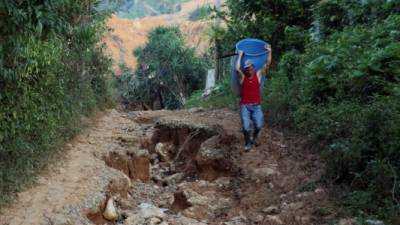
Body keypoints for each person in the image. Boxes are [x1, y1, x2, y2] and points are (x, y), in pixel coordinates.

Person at [236, 44, 272, 151]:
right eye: (247, 68)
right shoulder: (243, 78)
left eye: (250, 67)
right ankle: (247, 143)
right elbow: (237, 68)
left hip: (256, 106)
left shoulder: (258, 75)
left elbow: (267, 63)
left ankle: (254, 137)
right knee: (246, 127)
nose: (249, 70)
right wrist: (240, 55)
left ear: (253, 67)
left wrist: (270, 51)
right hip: (245, 106)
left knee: (259, 125)